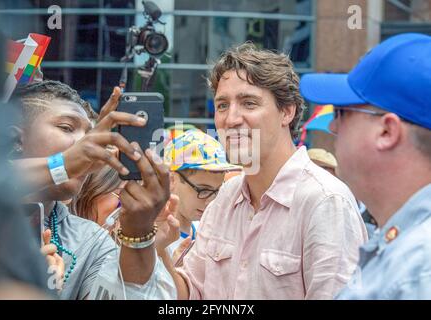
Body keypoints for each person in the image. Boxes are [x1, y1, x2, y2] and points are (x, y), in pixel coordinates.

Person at [119, 42, 368, 300]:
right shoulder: (226, 196)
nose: (231, 119)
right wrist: (156, 248)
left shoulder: (326, 202)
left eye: (249, 103)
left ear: (287, 111)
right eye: (222, 105)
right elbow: (192, 293)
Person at [10, 80, 175, 299]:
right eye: (67, 127)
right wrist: (62, 166)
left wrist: (139, 233)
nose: (85, 144)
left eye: (90, 135)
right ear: (15, 138)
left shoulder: (90, 241)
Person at [300, 33, 431, 299]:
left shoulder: (418, 270)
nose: (334, 126)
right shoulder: (408, 250)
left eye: (341, 113)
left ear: (387, 131)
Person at [163, 129, 241, 258]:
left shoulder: (208, 230)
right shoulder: (148, 237)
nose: (211, 201)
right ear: (171, 180)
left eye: (217, 191)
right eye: (203, 190)